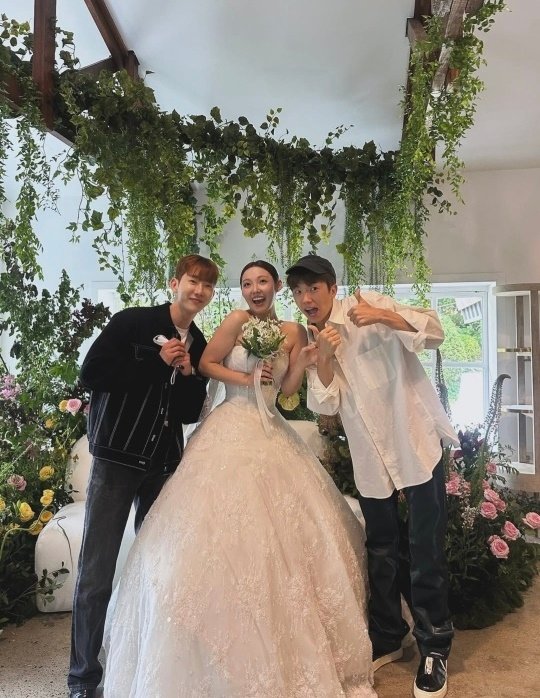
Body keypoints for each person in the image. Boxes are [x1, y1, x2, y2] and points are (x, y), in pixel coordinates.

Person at [103, 260, 376, 698]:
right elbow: (206, 364)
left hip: (271, 430)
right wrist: (246, 378)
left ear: (277, 287)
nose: (255, 289)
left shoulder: (294, 330)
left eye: (262, 281)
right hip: (230, 422)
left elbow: (288, 391)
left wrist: (306, 361)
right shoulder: (235, 320)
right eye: (247, 283)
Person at [286, 254, 459, 698]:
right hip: (369, 458)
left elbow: (435, 332)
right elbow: (324, 405)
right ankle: (388, 636)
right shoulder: (313, 338)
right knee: (380, 549)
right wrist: (324, 358)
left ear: (332, 287)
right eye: (299, 292)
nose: (306, 299)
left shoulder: (370, 305)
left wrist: (383, 316)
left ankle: (435, 647)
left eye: (313, 288)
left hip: (413, 444)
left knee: (425, 548)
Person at [68, 254, 219, 698]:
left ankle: (143, 669)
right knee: (96, 575)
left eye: (208, 286)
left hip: (162, 466)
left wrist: (188, 373)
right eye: (193, 281)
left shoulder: (199, 342)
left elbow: (188, 411)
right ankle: (82, 679)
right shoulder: (132, 322)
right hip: (117, 461)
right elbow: (92, 374)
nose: (199, 291)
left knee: (158, 571)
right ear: (175, 283)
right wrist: (156, 361)